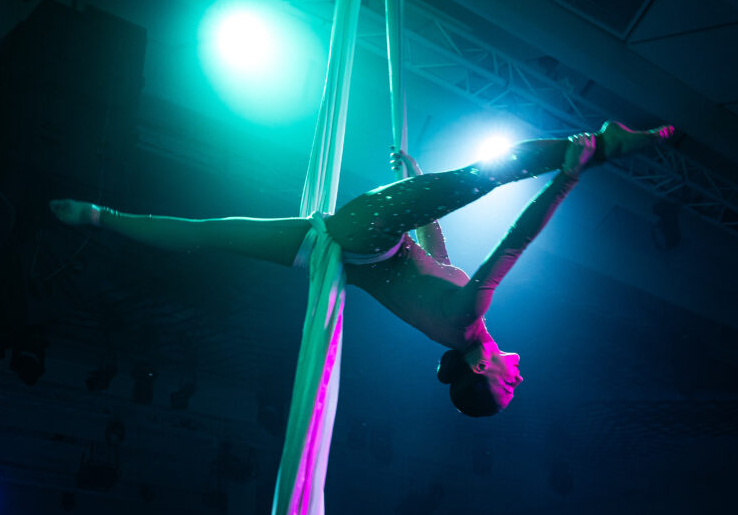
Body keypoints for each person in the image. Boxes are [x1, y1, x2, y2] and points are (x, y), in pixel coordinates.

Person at [52, 121, 675, 416]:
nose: (520, 376)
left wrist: (567, 178)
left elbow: (515, 241)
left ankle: (600, 145)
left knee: (483, 176)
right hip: (336, 246)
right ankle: (98, 216)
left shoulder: (466, 322)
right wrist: (416, 177)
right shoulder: (455, 322)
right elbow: (438, 255)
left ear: (481, 369)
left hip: (369, 233)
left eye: (508, 387)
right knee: (211, 235)